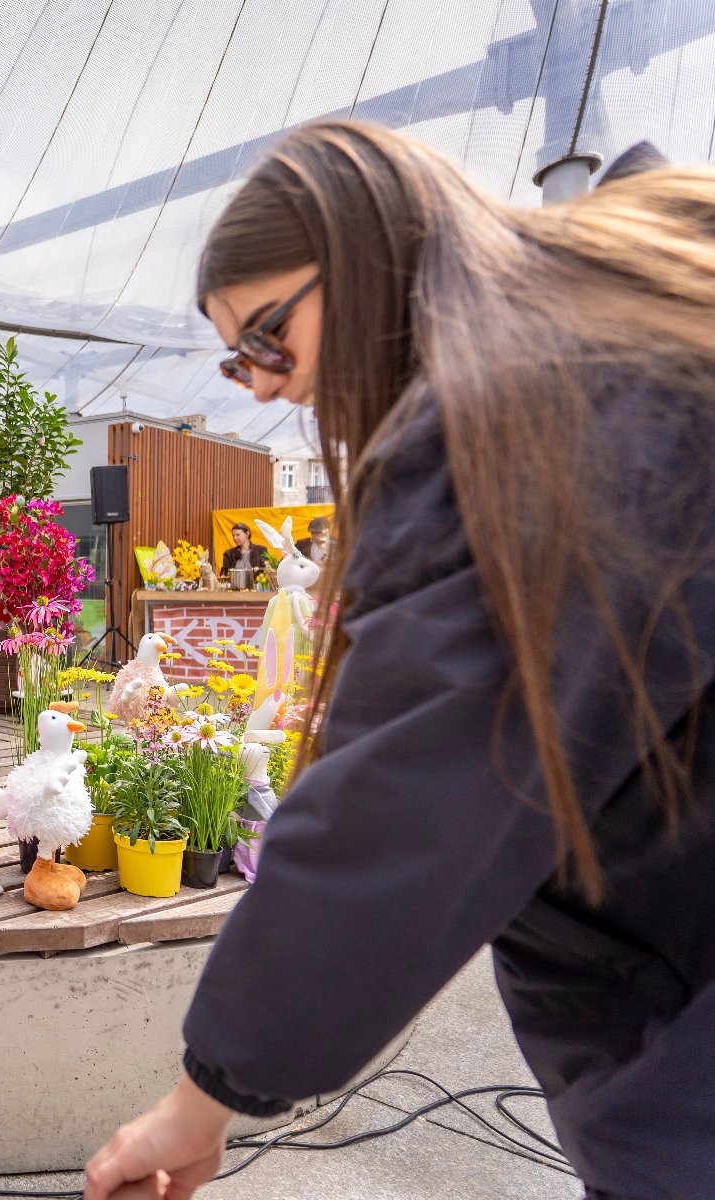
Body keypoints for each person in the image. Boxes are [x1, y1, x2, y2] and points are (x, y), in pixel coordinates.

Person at [85, 120, 715, 1200]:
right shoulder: (649, 322)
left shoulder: (519, 417)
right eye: (238, 361)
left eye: (269, 338)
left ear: (372, 252)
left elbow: (401, 812)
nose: (264, 387)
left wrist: (204, 1096)